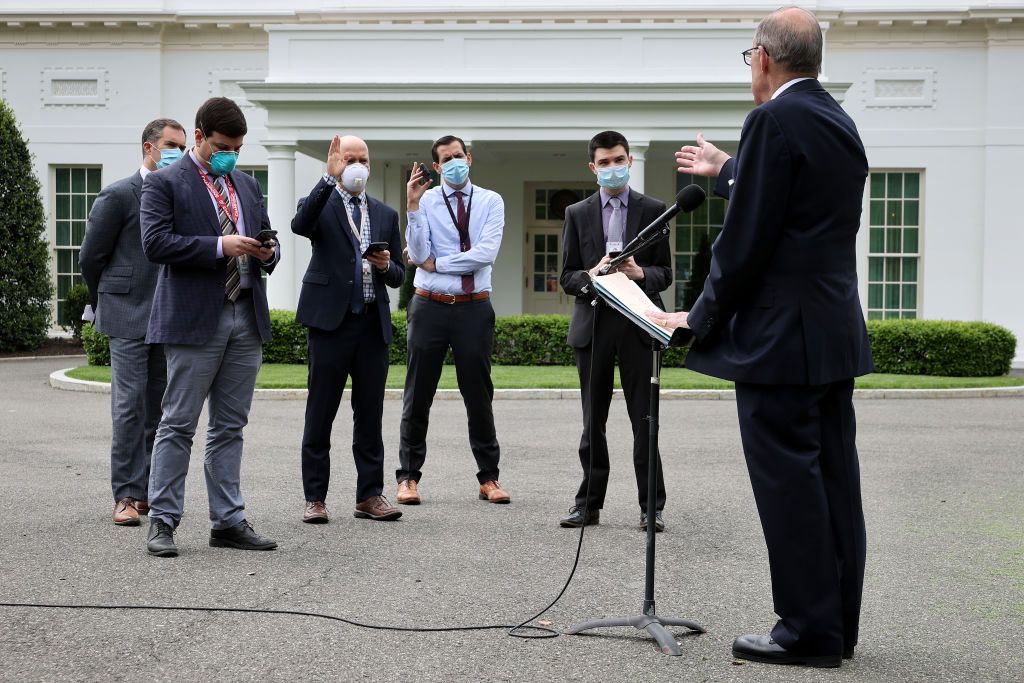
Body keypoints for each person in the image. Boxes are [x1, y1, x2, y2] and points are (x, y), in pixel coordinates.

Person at [647, 7, 873, 668]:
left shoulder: (770, 120)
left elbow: (744, 245)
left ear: (764, 60)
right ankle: (837, 626)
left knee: (790, 488)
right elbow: (793, 206)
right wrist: (727, 171)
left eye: (749, 59)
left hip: (781, 342)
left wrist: (698, 317)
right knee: (835, 483)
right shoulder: (838, 121)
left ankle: (805, 630)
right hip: (829, 334)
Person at [140, 97, 281, 558]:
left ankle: (228, 520)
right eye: (222, 146)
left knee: (230, 426)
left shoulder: (245, 184)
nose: (231, 156)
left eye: (237, 148)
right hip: (194, 317)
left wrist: (268, 250)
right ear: (199, 136)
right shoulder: (165, 183)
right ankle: (162, 520)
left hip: (245, 312)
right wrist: (221, 245)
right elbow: (156, 244)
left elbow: (266, 233)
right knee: (178, 423)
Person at [558, 130, 673, 531]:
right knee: (594, 421)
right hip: (594, 326)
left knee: (644, 419)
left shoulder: (655, 209)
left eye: (618, 160)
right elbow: (566, 276)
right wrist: (591, 275)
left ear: (629, 161)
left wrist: (640, 272)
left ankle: (651, 507)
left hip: (640, 326)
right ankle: (588, 503)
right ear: (593, 168)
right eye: (604, 162)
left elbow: (666, 273)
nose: (612, 168)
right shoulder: (577, 213)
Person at [292, 135, 405, 524]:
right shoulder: (320, 204)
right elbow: (299, 224)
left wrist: (386, 264)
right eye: (349, 158)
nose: (356, 165)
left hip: (372, 325)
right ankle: (315, 498)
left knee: (369, 413)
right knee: (320, 413)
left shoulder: (385, 213)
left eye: (362, 159)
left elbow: (398, 277)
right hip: (329, 323)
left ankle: (370, 495)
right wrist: (327, 178)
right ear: (337, 161)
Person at [80, 118, 186, 526]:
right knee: (128, 406)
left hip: (168, 314)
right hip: (126, 312)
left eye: (181, 145)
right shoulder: (119, 195)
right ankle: (124, 494)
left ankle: (146, 492)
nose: (178, 152)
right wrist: (104, 298)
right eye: (171, 145)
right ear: (148, 148)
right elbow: (91, 258)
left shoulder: (179, 195)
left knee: (159, 408)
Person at [397, 135, 510, 505]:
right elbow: (416, 253)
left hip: (473, 307)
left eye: (458, 155)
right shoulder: (426, 202)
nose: (454, 162)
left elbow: (485, 253)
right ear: (438, 166)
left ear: (469, 158)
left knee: (478, 395)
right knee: (418, 394)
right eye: (446, 159)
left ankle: (489, 478)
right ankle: (408, 477)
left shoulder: (491, 201)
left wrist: (438, 263)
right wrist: (412, 208)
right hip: (429, 306)